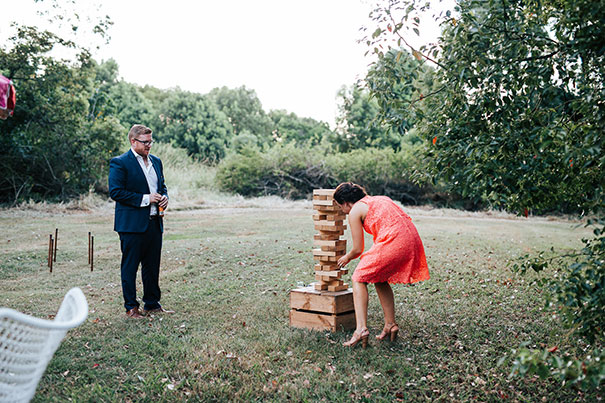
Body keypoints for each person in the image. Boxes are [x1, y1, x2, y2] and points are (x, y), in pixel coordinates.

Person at [334, 182, 429, 347]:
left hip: (395, 241)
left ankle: (361, 329)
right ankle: (390, 324)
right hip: (412, 240)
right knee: (379, 277)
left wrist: (346, 257)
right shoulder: (380, 199)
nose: (342, 210)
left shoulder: (355, 210)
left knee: (358, 278)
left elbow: (357, 249)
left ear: (346, 203)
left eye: (340, 206)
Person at [108, 124, 173, 318]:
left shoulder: (156, 161)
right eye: (145, 142)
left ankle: (152, 304)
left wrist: (164, 197)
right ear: (133, 141)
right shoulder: (120, 162)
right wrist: (147, 199)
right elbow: (116, 192)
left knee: (152, 266)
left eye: (151, 142)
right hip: (131, 225)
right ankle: (131, 307)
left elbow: (162, 186)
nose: (149, 146)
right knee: (130, 267)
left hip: (154, 222)